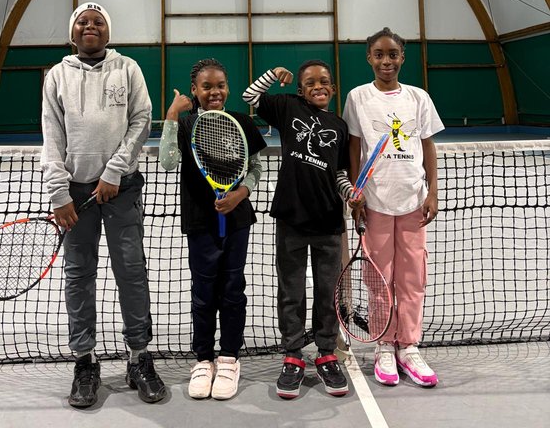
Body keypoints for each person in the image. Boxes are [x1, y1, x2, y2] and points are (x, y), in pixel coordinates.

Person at [40, 2, 165, 408]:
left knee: (131, 269)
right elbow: (52, 137)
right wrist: (59, 194)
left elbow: (142, 119)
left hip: (121, 189)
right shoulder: (57, 75)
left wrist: (114, 171)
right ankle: (85, 361)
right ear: (72, 32)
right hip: (75, 196)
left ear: (108, 33)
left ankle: (138, 357)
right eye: (82, 21)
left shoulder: (127, 69)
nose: (90, 26)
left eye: (98, 22)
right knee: (78, 275)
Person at [340, 27, 443, 388]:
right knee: (379, 278)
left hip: (413, 201)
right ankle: (385, 343)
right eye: (379, 54)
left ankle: (409, 346)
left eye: (393, 54)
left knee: (413, 277)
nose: (386, 61)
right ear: (369, 58)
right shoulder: (357, 97)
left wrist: (432, 192)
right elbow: (354, 149)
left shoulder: (418, 98)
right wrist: (355, 195)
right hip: (375, 201)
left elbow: (427, 146)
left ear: (402, 57)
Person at [159, 58, 266, 400]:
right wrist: (172, 114)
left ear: (228, 88)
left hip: (236, 220)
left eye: (220, 85)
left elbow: (255, 168)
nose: (214, 92)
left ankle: (230, 357)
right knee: (203, 292)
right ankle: (203, 359)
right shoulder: (186, 124)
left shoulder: (243, 122)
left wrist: (241, 194)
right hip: (201, 221)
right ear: (194, 90)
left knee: (233, 288)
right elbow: (168, 161)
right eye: (206, 86)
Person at [242, 61, 349, 399]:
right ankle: (292, 355)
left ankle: (327, 353)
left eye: (325, 82)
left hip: (329, 222)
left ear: (332, 88)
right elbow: (250, 95)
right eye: (310, 83)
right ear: (301, 89)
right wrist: (273, 74)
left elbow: (340, 172)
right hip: (291, 218)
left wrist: (350, 193)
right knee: (291, 292)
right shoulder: (289, 106)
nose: (319, 86)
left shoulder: (340, 126)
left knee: (327, 292)